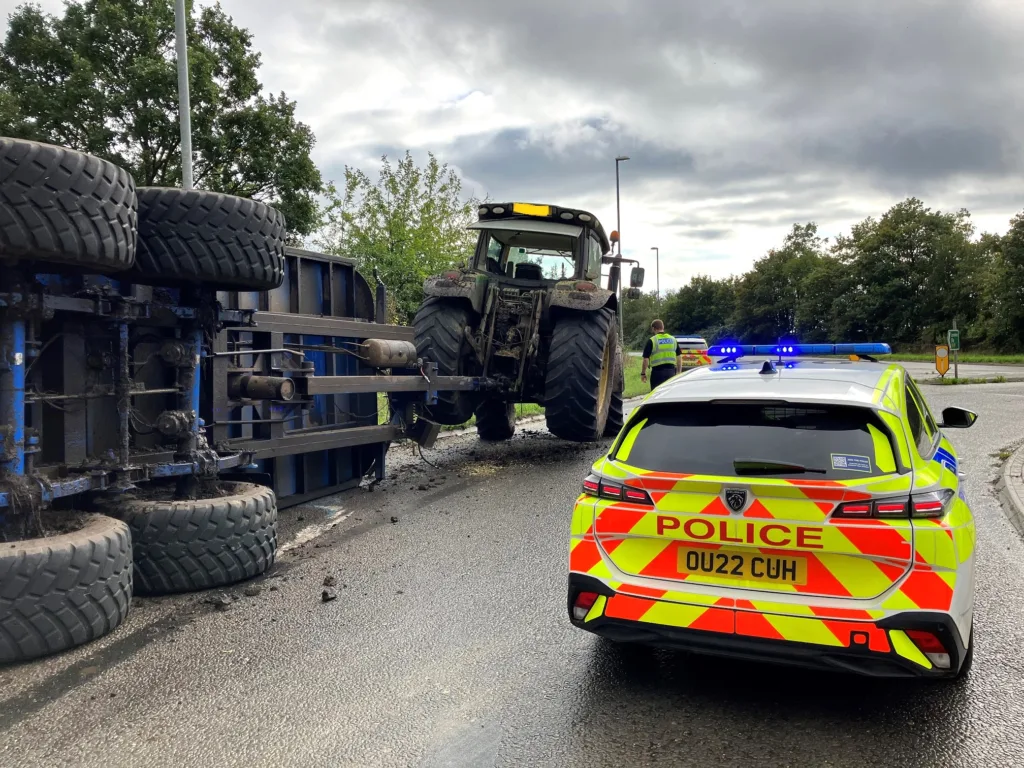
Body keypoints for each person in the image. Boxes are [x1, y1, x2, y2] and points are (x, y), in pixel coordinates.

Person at [640, 320, 682, 390]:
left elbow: (645, 359)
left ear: (653, 328)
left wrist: (643, 373)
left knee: (656, 396)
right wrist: (678, 372)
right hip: (671, 372)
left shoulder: (652, 340)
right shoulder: (673, 339)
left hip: (657, 374)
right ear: (663, 327)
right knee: (669, 394)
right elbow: (679, 357)